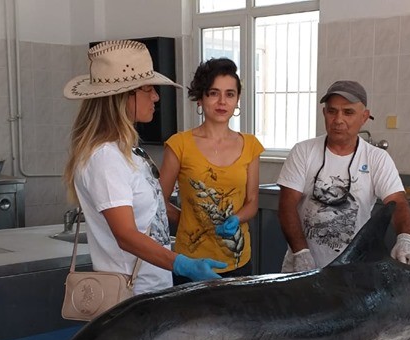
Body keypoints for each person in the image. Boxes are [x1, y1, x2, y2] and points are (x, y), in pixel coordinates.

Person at [62, 40, 226, 294]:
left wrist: (196, 224)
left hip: (151, 290)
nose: (156, 97)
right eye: (148, 89)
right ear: (122, 97)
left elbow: (151, 212)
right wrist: (182, 264)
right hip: (130, 296)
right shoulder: (105, 158)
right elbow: (126, 234)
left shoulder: (128, 151)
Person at [277, 80, 410, 272]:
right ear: (324, 113)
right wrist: (301, 253)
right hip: (301, 268)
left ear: (364, 117)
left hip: (353, 272)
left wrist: (405, 240)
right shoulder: (303, 151)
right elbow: (287, 205)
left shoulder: (376, 158)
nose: (338, 119)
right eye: (332, 111)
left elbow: (398, 202)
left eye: (348, 112)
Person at [159, 58, 264, 285]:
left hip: (238, 260)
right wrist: (188, 221)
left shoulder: (251, 145)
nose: (222, 101)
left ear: (237, 100)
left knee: (238, 320)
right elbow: (157, 202)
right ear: (200, 97)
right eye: (213, 93)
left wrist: (237, 218)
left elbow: (252, 201)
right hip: (190, 262)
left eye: (229, 94)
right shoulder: (179, 144)